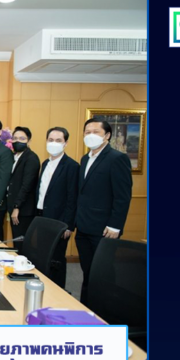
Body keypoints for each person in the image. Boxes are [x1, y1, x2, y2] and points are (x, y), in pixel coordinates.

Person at [76, 117, 133, 304]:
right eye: (87, 132)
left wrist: (115, 225)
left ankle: (106, 310)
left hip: (104, 229)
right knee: (87, 271)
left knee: (104, 273)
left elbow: (122, 196)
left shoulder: (117, 158)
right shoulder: (85, 159)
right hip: (83, 226)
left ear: (107, 135)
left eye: (96, 132)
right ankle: (86, 307)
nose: (90, 135)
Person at [36, 127, 79, 289]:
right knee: (42, 255)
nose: (53, 143)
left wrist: (68, 224)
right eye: (51, 140)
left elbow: (72, 197)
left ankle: (58, 290)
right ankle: (44, 287)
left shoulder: (71, 166)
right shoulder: (45, 163)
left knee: (57, 258)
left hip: (59, 220)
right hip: (42, 216)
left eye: (58, 140)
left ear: (65, 143)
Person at [2, 126, 40, 253]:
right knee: (17, 242)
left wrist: (17, 207)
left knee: (22, 244)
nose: (18, 141)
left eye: (22, 138)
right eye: (15, 138)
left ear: (28, 141)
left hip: (24, 210)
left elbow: (26, 185)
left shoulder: (31, 158)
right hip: (14, 207)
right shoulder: (15, 156)